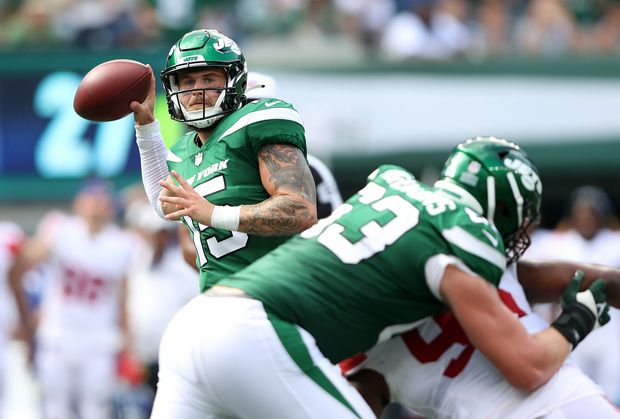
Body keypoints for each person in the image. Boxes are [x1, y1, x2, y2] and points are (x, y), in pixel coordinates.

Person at [149, 137, 610, 418]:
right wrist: (578, 317)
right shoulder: (462, 238)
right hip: (256, 332)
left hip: (196, 324)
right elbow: (527, 362)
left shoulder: (393, 199)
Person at [130, 29, 317, 292]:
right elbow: (164, 206)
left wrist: (215, 214)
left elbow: (300, 211)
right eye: (187, 82)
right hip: (220, 298)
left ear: (235, 81)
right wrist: (146, 127)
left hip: (277, 294)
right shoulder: (182, 152)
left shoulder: (256, 120)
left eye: (209, 78)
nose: (197, 91)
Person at [341, 260, 620, 419]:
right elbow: (530, 370)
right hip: (568, 402)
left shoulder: (361, 346)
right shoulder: (474, 258)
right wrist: (577, 320)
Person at [8, 180, 136, 419]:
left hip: (99, 339)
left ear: (110, 206)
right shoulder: (60, 229)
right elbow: (24, 265)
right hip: (58, 334)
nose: (96, 205)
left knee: (95, 409)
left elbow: (123, 298)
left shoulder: (121, 243)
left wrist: (129, 344)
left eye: (101, 200)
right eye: (91, 199)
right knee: (55, 408)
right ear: (78, 203)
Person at [525, 185, 620, 404]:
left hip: (608, 332)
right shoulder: (554, 242)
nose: (586, 217)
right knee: (573, 394)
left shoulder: (614, 242)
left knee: (610, 395)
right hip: (569, 328)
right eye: (581, 212)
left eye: (593, 212)